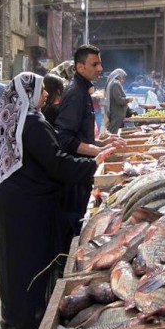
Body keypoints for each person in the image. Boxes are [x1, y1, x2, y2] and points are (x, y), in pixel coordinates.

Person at [0, 72, 114, 329]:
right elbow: (55, 163)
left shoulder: (9, 115)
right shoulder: (32, 121)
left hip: (6, 200)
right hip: (29, 204)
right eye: (41, 90)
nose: (46, 94)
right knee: (32, 258)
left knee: (11, 259)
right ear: (28, 92)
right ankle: (30, 317)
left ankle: (10, 313)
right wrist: (92, 164)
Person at [56, 44, 126, 236]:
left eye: (100, 64)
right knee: (76, 224)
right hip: (75, 174)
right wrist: (98, 152)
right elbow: (65, 139)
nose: (100, 69)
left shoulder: (83, 91)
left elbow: (83, 136)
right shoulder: (75, 94)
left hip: (84, 170)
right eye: (94, 64)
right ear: (80, 67)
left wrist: (104, 143)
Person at [103, 68, 133, 134]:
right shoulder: (115, 84)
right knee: (114, 132)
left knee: (116, 131)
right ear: (119, 76)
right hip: (117, 113)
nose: (124, 80)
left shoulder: (113, 83)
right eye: (123, 77)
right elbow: (119, 100)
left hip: (116, 113)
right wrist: (128, 100)